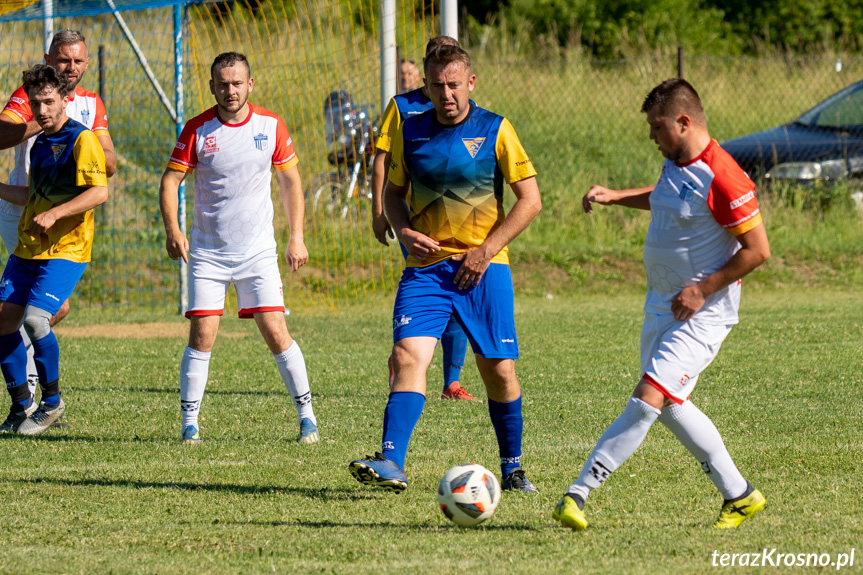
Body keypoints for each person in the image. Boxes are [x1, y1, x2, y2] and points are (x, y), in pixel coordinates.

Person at [553, 78, 771, 530]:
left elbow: (758, 250)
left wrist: (702, 289)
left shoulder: (724, 176)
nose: (652, 136)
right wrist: (616, 196)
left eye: (657, 127)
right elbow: (665, 201)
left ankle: (577, 494)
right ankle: (740, 495)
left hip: (701, 313)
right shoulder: (677, 162)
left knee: (648, 397)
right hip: (663, 306)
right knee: (671, 406)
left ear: (684, 122)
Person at [349, 45, 542, 493]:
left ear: (470, 83)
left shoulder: (495, 129)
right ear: (427, 86)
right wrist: (402, 228)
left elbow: (530, 201)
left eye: (454, 84)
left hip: (484, 268)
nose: (446, 94)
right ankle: (391, 463)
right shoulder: (410, 130)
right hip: (426, 268)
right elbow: (394, 193)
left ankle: (512, 467)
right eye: (437, 86)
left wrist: (486, 250)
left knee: (498, 371)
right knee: (406, 357)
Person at [159, 52, 320, 445]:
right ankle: (189, 425)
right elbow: (169, 181)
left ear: (250, 84)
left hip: (258, 251)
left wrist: (296, 236)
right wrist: (173, 230)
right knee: (203, 334)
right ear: (212, 86)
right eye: (222, 84)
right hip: (208, 253)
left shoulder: (271, 125)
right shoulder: (197, 129)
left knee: (276, 330)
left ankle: (307, 418)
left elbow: (291, 183)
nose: (230, 90)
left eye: (237, 83)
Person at [0, 28, 116, 404]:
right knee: (17, 314)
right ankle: (22, 396)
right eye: (63, 60)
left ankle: (45, 394)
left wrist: (75, 135)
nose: (71, 67)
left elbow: (107, 169)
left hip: (63, 226)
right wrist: (44, 114)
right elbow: (3, 135)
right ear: (50, 60)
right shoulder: (32, 96)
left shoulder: (89, 109)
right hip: (24, 213)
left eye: (79, 60)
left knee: (44, 312)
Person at [372, 36, 475, 401]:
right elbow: (382, 158)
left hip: (460, 221)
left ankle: (451, 382)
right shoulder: (402, 107)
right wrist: (380, 212)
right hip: (416, 222)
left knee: (459, 297)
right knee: (434, 294)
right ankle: (407, 361)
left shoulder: (462, 105)